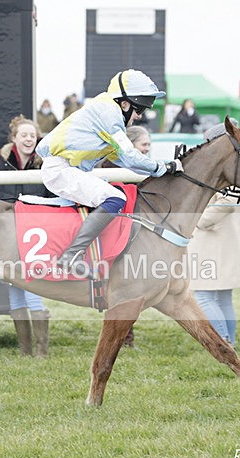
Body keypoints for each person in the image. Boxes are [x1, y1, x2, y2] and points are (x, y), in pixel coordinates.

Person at [36, 69, 183, 277]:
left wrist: (160, 168)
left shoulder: (106, 112)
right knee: (116, 197)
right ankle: (72, 255)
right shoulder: (109, 113)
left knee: (111, 193)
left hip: (67, 168)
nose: (140, 116)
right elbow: (131, 157)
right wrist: (164, 167)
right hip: (61, 170)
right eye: (138, 109)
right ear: (124, 104)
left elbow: (123, 160)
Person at [0, 115, 53, 357]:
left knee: (33, 287)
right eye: (24, 135)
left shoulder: (45, 164)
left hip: (36, 236)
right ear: (14, 139)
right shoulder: (1, 165)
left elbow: (50, 199)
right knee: (14, 287)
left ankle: (41, 351)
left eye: (32, 135)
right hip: (8, 234)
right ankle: (25, 350)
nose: (29, 139)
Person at [98, 124, 152, 347]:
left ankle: (125, 336)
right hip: (113, 232)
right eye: (144, 144)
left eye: (149, 144)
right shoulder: (112, 166)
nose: (148, 149)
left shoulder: (136, 166)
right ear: (130, 145)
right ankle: (121, 337)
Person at [189, 193, 240, 345]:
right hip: (220, 241)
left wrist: (200, 220)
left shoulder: (228, 173)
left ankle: (222, 342)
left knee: (203, 296)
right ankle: (230, 343)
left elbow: (228, 201)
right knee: (223, 298)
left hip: (213, 242)